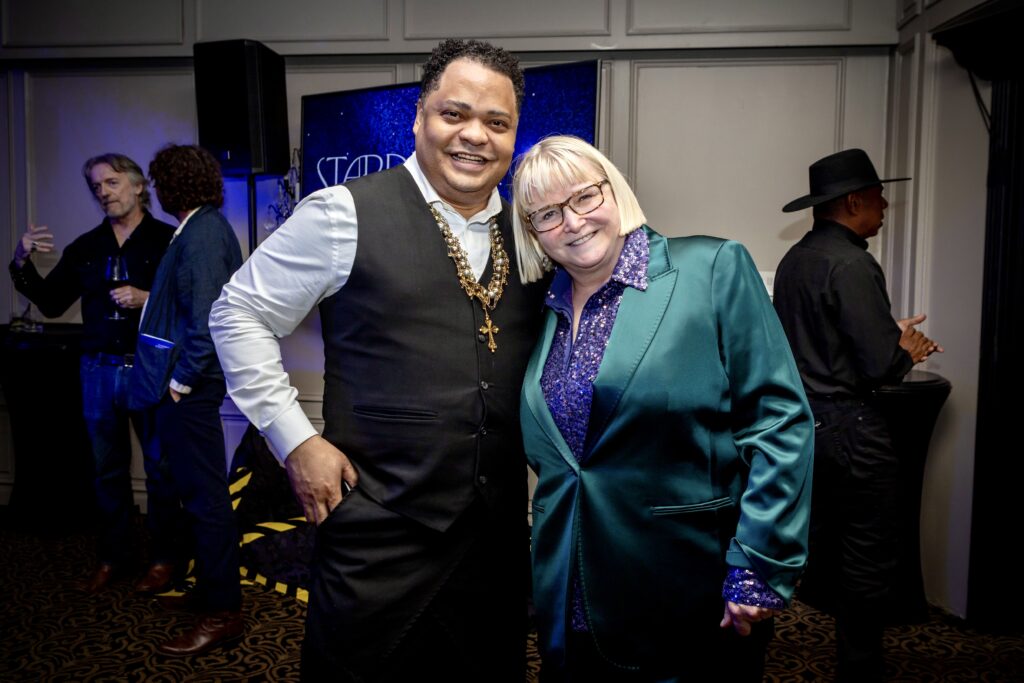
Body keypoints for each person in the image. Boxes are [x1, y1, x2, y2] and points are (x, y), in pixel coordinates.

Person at [209, 39, 547, 681]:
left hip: (495, 538)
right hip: (378, 531)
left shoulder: (533, 232)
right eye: (454, 114)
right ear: (419, 118)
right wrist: (296, 442)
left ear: (514, 137)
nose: (474, 135)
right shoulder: (342, 213)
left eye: (496, 123)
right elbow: (237, 313)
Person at [510, 135, 814, 681]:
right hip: (569, 590)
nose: (573, 222)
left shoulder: (711, 268)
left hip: (686, 588)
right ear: (533, 233)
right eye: (547, 214)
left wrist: (760, 563)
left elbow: (779, 422)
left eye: (584, 197)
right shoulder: (541, 311)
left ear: (614, 190)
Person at [772, 148, 942, 682]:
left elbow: (816, 341)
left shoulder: (797, 259)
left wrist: (884, 333)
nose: (885, 205)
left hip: (807, 428)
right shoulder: (851, 262)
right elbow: (877, 367)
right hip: (854, 429)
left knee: (826, 546)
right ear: (853, 202)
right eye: (877, 196)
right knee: (867, 557)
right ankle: (860, 670)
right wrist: (906, 348)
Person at [9, 153, 178, 594]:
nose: (103, 191)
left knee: (161, 470)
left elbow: (192, 302)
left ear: (139, 186)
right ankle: (115, 556)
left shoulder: (168, 240)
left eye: (112, 182)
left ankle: (164, 559)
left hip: (149, 369)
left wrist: (148, 297)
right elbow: (50, 303)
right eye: (96, 186)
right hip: (97, 371)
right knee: (106, 471)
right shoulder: (86, 247)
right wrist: (20, 260)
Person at [131, 144, 243, 655]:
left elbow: (207, 320)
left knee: (205, 500)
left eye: (158, 182)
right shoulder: (200, 227)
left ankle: (223, 612)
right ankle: (209, 595)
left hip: (189, 392)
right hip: (185, 390)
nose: (155, 191)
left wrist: (180, 384)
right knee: (196, 496)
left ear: (175, 183)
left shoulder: (201, 234)